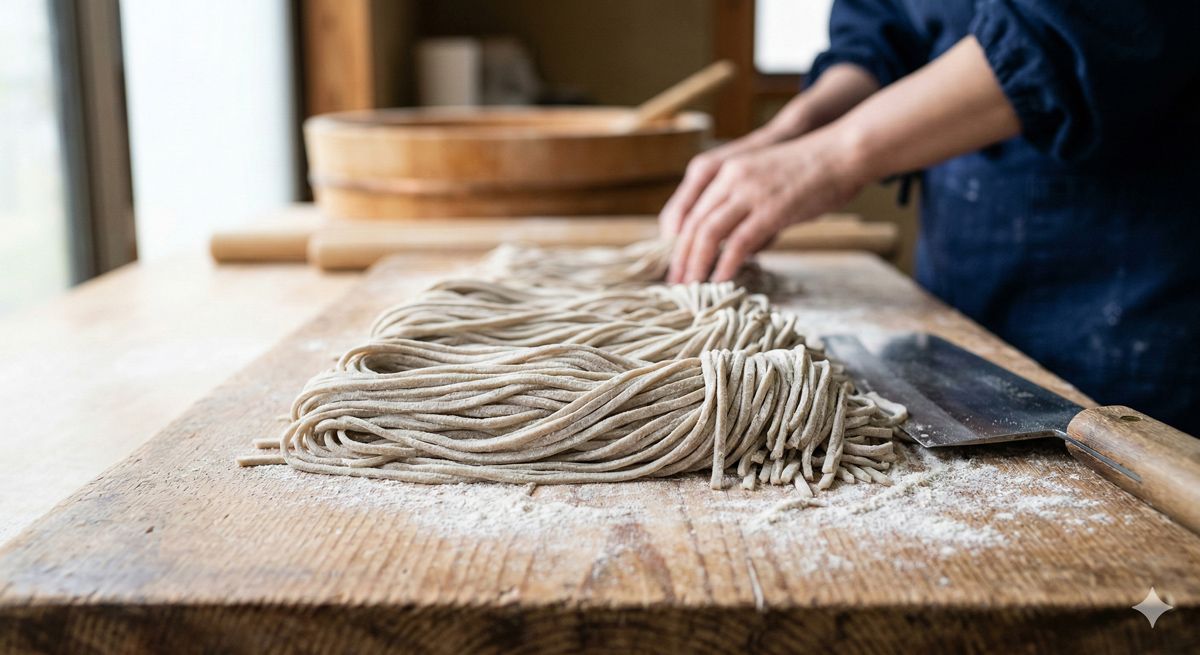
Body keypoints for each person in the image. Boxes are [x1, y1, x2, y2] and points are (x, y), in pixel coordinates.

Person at [660, 1, 1200, 434]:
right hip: (964, 259)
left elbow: (1083, 23)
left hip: (1135, 279)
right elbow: (886, 23)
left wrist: (831, 157)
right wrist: (794, 132)